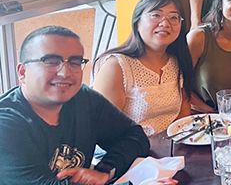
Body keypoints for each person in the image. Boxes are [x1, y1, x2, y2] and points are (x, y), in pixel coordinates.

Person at [0, 26, 150, 185]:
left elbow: (135, 136)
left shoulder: (84, 99)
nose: (65, 73)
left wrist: (104, 171)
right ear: (22, 72)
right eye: (51, 61)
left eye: (75, 62)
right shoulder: (6, 125)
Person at [92, 0, 193, 137]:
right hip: (129, 152)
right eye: (156, 15)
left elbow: (183, 120)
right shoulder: (117, 66)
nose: (165, 23)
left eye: (173, 17)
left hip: (170, 151)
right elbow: (105, 131)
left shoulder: (177, 61)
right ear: (137, 20)